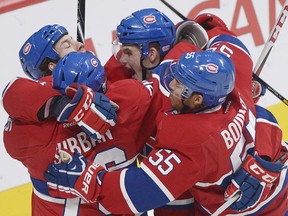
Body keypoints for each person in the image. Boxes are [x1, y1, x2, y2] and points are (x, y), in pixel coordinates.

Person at [44, 14, 288, 215]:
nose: (172, 85)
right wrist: (265, 157)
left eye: (180, 85)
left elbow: (137, 192)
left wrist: (90, 181)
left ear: (197, 100)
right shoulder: (230, 81)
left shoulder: (192, 140)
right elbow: (264, 115)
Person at [2, 25, 118, 215]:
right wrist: (62, 103)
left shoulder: (25, 126)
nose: (80, 44)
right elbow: (14, 92)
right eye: (67, 44)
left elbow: (14, 93)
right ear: (52, 66)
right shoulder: (31, 120)